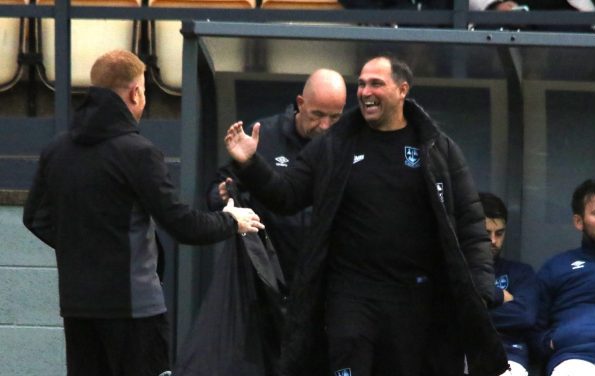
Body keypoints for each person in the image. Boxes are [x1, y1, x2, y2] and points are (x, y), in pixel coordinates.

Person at [224, 54, 508, 376]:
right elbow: (287, 195)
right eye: (360, 84)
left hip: (415, 299)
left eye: (376, 83)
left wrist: (481, 291)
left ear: (402, 90)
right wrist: (250, 163)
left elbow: (470, 223)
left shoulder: (436, 148)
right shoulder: (336, 143)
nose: (365, 91)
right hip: (351, 296)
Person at [22, 49, 263, 376]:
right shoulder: (139, 153)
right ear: (136, 92)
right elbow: (182, 224)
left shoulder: (56, 150)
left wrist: (84, 248)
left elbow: (35, 218)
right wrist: (231, 220)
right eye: (145, 92)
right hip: (134, 309)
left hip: (78, 307)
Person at [208, 68, 347, 287]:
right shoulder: (264, 136)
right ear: (301, 103)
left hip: (323, 275)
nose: (325, 126)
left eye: (335, 117)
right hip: (269, 271)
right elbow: (219, 190)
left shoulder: (344, 145)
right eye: (318, 115)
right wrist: (222, 195)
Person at [535, 178, 595, 376]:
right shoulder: (557, 267)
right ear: (579, 221)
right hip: (573, 360)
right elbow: (533, 323)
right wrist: (550, 342)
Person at [479, 192, 538, 376]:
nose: (494, 241)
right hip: (461, 352)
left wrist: (471, 310)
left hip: (508, 354)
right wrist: (499, 297)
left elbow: (525, 316)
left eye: (499, 233)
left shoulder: (521, 273)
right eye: (486, 233)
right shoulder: (456, 272)